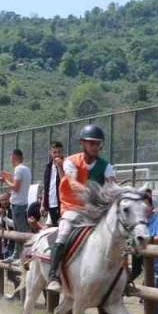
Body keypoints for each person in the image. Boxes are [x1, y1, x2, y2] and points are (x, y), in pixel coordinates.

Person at [46, 124, 116, 292]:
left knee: (119, 234)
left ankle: (125, 278)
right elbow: (72, 183)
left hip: (95, 210)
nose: (95, 147)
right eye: (91, 143)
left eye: (98, 143)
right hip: (72, 208)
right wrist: (92, 192)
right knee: (63, 233)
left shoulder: (106, 166)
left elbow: (112, 186)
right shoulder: (70, 161)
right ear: (83, 144)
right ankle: (53, 275)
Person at [0, 149, 32, 261]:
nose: (10, 160)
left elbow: (15, 188)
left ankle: (23, 257)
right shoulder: (26, 169)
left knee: (21, 234)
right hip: (22, 204)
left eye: (11, 158)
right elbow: (17, 185)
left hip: (18, 205)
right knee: (19, 233)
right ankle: (16, 255)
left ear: (14, 157)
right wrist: (9, 178)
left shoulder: (18, 169)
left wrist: (5, 180)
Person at [40, 141, 65, 226]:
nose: (57, 154)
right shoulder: (48, 167)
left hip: (62, 204)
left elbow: (64, 182)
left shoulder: (66, 165)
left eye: (59, 152)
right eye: (54, 152)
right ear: (50, 153)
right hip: (51, 204)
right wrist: (43, 205)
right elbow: (46, 187)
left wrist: (60, 167)